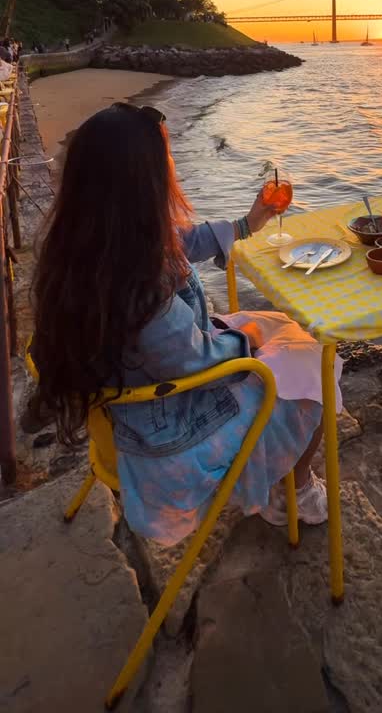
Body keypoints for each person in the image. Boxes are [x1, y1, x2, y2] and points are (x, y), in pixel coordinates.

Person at [30, 103, 330, 546]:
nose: (171, 164)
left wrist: (246, 225)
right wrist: (245, 342)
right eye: (165, 156)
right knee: (313, 368)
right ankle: (293, 492)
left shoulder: (87, 245)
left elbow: (179, 242)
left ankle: (284, 474)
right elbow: (194, 359)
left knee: (282, 328)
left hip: (129, 412)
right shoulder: (136, 283)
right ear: (142, 180)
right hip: (172, 438)